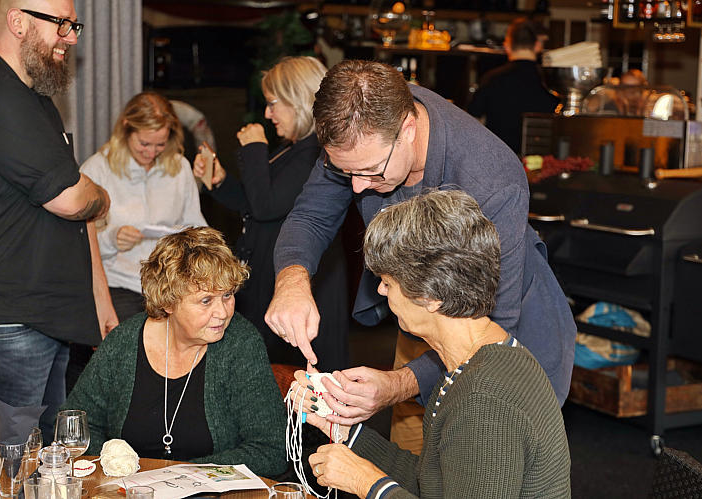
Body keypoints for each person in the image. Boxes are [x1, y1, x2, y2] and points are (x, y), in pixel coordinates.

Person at [266, 59, 576, 454]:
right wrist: (291, 281)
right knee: (415, 458)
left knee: (474, 465)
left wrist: (398, 384)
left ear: (408, 129)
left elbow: (494, 324)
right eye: (347, 174)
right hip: (420, 314)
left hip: (500, 336)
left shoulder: (491, 178)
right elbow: (311, 215)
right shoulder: (360, 125)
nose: (357, 188)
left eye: (371, 171)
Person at [289, 190, 571, 498]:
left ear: (431, 296)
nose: (381, 291)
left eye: (388, 282)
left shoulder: (483, 399)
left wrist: (366, 483)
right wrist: (347, 433)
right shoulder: (478, 361)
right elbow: (435, 482)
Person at [0, 0, 115, 442]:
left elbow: (75, 211)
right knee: (9, 463)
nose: (71, 37)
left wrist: (99, 300)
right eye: (61, 24)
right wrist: (101, 195)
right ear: (17, 21)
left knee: (45, 462)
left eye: (73, 25)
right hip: (9, 324)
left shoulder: (33, 97)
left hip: (42, 320)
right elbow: (71, 198)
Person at [62, 227, 287, 476]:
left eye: (227, 295)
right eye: (206, 301)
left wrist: (182, 477)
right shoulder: (124, 342)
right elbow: (74, 428)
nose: (223, 313)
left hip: (211, 492)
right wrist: (116, 466)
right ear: (168, 302)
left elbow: (271, 450)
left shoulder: (240, 343)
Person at [193, 56, 349, 372]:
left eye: (273, 104)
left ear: (298, 100)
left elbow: (265, 206)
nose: (267, 114)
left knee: (291, 375)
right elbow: (257, 203)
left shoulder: (317, 153)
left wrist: (254, 148)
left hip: (303, 281)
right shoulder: (293, 148)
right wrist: (220, 182)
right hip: (270, 272)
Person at [80, 91, 207, 322]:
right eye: (144, 143)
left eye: (160, 144)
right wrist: (112, 238)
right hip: (117, 285)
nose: (151, 152)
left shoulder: (180, 167)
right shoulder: (97, 169)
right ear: (126, 129)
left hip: (170, 286)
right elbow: (77, 243)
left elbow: (196, 228)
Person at [467, 18, 559, 154]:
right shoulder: (550, 81)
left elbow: (473, 122)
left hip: (499, 157)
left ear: (507, 45)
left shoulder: (491, 78)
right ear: (538, 45)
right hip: (541, 159)